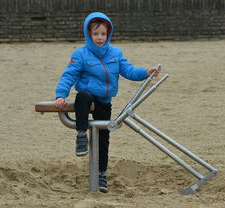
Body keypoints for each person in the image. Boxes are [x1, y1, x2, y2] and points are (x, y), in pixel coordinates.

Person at [54, 12, 161, 193]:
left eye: (103, 34)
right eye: (96, 34)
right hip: (88, 97)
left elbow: (129, 71)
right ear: (89, 35)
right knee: (82, 96)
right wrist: (60, 95)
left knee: (103, 139)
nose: (100, 38)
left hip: (105, 101)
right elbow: (69, 75)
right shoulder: (80, 54)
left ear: (108, 34)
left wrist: (146, 72)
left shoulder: (115, 53)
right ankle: (81, 135)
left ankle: (102, 175)